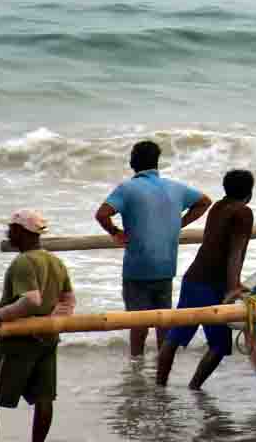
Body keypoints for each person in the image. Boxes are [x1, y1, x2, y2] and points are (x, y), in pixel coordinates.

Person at [95, 140, 212, 356]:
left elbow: (102, 214)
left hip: (138, 267)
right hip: (166, 266)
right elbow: (205, 201)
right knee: (163, 321)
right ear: (156, 162)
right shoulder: (176, 187)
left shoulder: (127, 188)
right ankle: (162, 366)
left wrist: (115, 232)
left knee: (137, 322)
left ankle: (136, 366)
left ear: (133, 162)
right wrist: (179, 223)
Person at [0, 210, 76, 442]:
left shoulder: (23, 261)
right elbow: (69, 300)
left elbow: (31, 300)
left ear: (22, 232)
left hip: (17, 341)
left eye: (11, 228)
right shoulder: (55, 261)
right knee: (43, 398)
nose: (7, 232)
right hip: (48, 339)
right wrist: (51, 323)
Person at [156, 169, 256, 389]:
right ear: (249, 192)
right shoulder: (243, 213)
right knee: (219, 345)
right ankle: (194, 387)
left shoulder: (218, 207)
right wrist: (234, 287)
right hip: (214, 285)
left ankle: (159, 387)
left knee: (174, 336)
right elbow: (235, 251)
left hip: (193, 279)